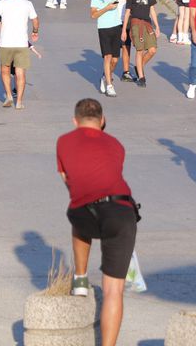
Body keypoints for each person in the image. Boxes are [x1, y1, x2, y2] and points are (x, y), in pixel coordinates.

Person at [55, 98, 138, 346]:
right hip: (122, 212)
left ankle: (80, 278)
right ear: (102, 121)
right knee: (114, 291)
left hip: (85, 210)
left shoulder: (64, 141)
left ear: (74, 121)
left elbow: (67, 178)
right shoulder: (115, 144)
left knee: (78, 215)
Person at [0, 0, 40, 109]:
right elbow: (35, 20)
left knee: (5, 70)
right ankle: (19, 101)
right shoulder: (27, 3)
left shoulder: (2, 3)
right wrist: (35, 32)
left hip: (6, 43)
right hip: (21, 43)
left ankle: (8, 96)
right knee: (20, 73)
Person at [91, 0, 128, 97]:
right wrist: (107, 7)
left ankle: (105, 77)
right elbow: (93, 15)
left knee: (115, 59)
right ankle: (109, 85)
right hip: (104, 28)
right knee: (107, 57)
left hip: (116, 27)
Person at [122, 0, 160, 88]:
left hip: (147, 24)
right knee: (140, 50)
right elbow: (127, 12)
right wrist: (124, 30)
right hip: (136, 24)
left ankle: (139, 66)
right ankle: (141, 77)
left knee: (152, 50)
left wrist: (157, 26)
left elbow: (152, 10)